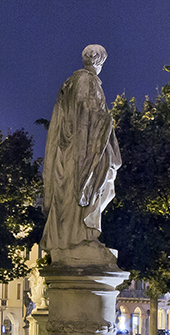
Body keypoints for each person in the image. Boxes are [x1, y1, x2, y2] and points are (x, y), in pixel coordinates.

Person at [41, 45, 121, 265]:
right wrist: (108, 122)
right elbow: (91, 116)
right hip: (83, 151)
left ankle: (77, 237)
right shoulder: (88, 82)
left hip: (68, 153)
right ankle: (83, 236)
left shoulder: (69, 83)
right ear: (100, 62)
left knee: (73, 194)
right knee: (92, 184)